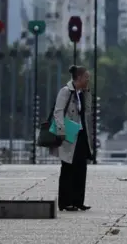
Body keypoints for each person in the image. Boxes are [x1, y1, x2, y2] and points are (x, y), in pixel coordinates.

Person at [50, 65, 93, 212]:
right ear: (79, 78)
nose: (88, 80)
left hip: (81, 134)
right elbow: (58, 111)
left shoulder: (81, 93)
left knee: (81, 167)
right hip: (68, 134)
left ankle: (78, 201)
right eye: (87, 78)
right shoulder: (66, 91)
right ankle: (65, 202)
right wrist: (61, 131)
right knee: (68, 168)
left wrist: (87, 92)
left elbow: (87, 110)